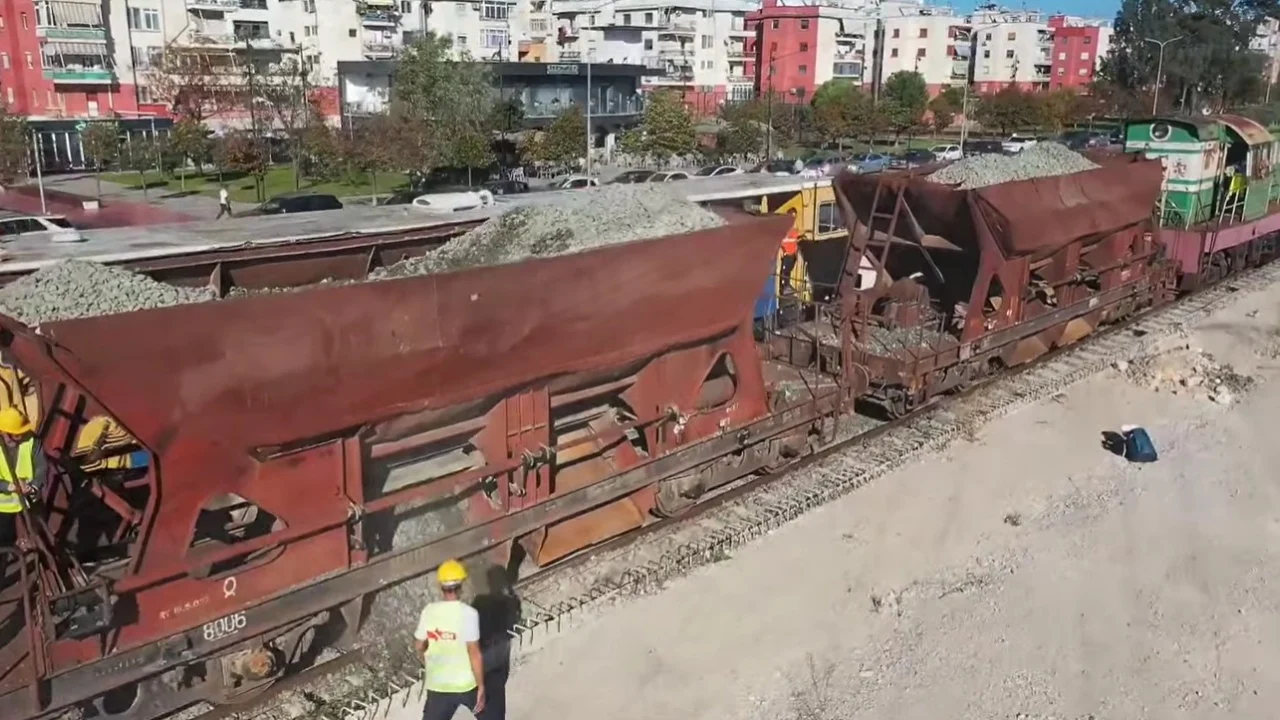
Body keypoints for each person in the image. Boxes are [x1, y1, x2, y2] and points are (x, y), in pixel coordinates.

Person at [415, 559, 485, 720]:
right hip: (466, 684)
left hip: (438, 685)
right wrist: (481, 686)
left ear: (441, 587)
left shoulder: (429, 611)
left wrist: (429, 662)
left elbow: (419, 645)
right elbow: (474, 653)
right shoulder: (469, 614)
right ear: (461, 586)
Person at [0, 407, 42, 579]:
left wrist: (33, 486)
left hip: (27, 502)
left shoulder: (31, 441)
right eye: (16, 435)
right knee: (2, 548)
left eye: (21, 434)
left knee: (40, 541)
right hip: (2, 509)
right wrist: (6, 486)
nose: (20, 438)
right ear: (3, 433)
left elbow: (41, 467)